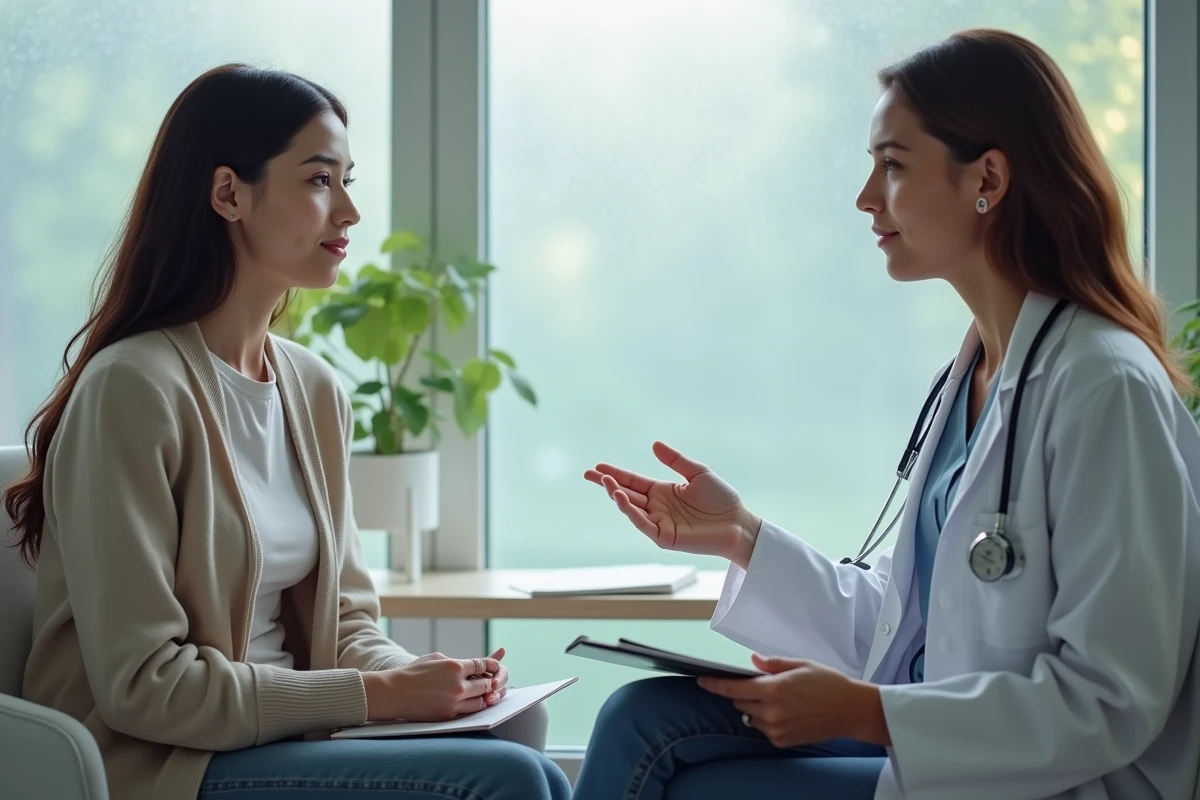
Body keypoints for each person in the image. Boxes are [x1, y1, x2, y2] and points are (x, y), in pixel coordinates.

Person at [574, 29, 1200, 800]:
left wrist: (874, 715)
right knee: (643, 717)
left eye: (893, 166)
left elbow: (1112, 698)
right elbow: (911, 628)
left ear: (989, 180)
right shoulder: (972, 373)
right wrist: (741, 537)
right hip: (945, 746)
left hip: (1052, 782)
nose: (866, 198)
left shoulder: (1105, 388)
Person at [2, 64, 569, 800]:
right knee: (510, 783)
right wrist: (380, 699)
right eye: (319, 180)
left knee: (522, 745)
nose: (351, 213)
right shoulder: (133, 390)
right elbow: (144, 687)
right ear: (229, 193)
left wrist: (432, 684)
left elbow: (346, 626)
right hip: (162, 762)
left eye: (347, 179)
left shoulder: (315, 391)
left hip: (282, 741)